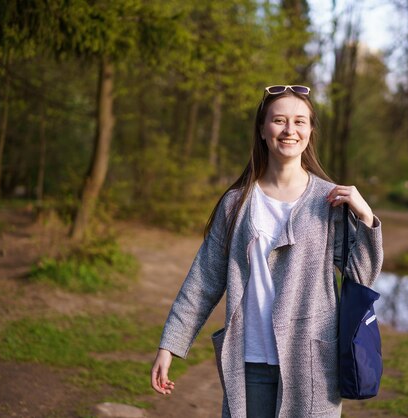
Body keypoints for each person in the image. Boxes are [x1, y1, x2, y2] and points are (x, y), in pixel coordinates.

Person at [150, 84, 383, 417]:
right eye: (279, 120)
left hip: (312, 364)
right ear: (262, 129)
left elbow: (361, 276)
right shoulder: (235, 204)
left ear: (310, 131)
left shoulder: (330, 201)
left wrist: (364, 216)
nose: (290, 130)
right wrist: (169, 345)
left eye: (300, 121)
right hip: (249, 362)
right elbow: (203, 281)